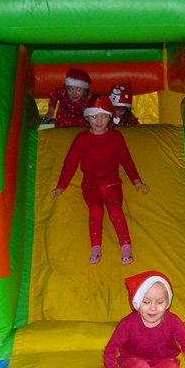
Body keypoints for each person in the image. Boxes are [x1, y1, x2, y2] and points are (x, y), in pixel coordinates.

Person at [49, 95, 149, 265]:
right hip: (91, 185)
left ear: (109, 118)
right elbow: (70, 164)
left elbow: (126, 160)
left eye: (103, 116)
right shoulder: (82, 139)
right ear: (87, 117)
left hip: (112, 183)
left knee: (115, 210)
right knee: (95, 210)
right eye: (94, 116)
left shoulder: (116, 137)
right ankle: (96, 248)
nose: (99, 121)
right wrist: (61, 186)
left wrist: (136, 180)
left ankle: (125, 247)